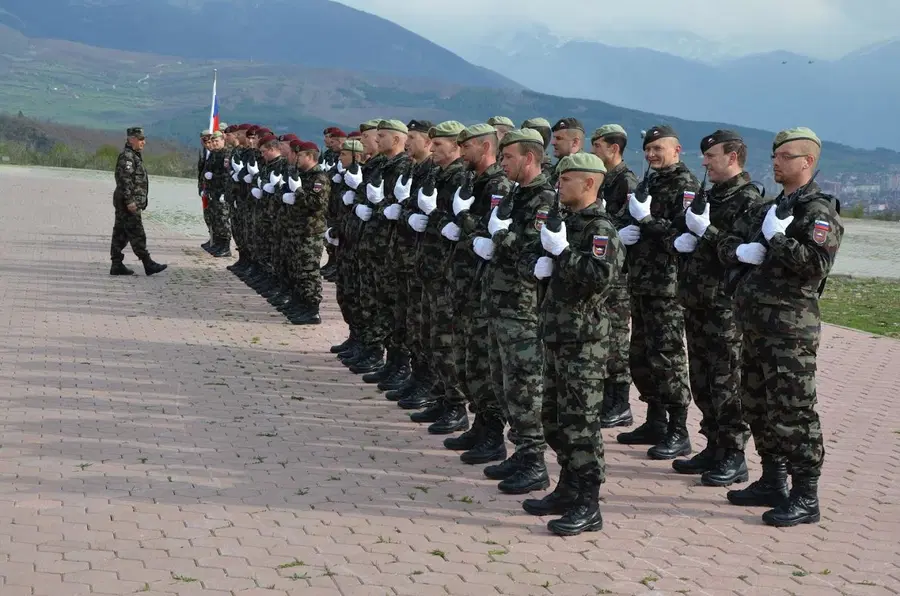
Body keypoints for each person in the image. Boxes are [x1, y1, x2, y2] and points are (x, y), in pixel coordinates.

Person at [718, 127, 842, 527]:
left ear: (807, 161)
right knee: (756, 404)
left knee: (793, 410)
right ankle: (773, 480)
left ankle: (806, 494)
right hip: (756, 324)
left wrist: (778, 241)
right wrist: (741, 250)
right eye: (774, 155)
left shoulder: (817, 211)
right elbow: (727, 242)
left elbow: (816, 264)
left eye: (785, 156)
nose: (776, 162)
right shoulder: (771, 207)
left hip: (790, 329)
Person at [525, 152, 624, 536]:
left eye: (566, 179)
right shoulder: (568, 222)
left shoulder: (600, 229)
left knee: (581, 423)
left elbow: (600, 276)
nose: (559, 185)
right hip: (557, 334)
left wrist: (563, 254)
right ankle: (567, 487)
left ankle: (588, 502)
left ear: (589, 183)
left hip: (584, 342)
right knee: (554, 419)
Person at [669, 130, 764, 486]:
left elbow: (743, 252)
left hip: (724, 306)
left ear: (733, 157)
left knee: (727, 381)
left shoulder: (748, 199)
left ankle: (734, 454)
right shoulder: (710, 194)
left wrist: (706, 232)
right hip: (697, 301)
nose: (705, 162)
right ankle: (713, 445)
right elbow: (684, 230)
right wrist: (682, 238)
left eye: (711, 156)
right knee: (702, 379)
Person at [474, 128, 554, 495]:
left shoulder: (544, 200)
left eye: (508, 157)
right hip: (499, 304)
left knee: (524, 386)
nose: (503, 162)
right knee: (503, 383)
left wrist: (500, 237)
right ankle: (521, 451)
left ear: (529, 158)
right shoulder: (516, 195)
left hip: (522, 309)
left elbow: (534, 254)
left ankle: (534, 461)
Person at [617, 125, 698, 461]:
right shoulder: (649, 182)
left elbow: (685, 237)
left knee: (667, 358)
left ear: (676, 150)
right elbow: (625, 217)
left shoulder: (686, 185)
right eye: (648, 149)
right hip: (640, 282)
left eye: (658, 149)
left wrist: (648, 221)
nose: (651, 155)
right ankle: (655, 420)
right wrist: (624, 229)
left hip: (667, 286)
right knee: (641, 357)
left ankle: (678, 430)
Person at [592, 124, 637, 428]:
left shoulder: (626, 180)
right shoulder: (605, 178)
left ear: (613, 148)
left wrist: (613, 231)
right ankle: (608, 399)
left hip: (619, 273)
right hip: (605, 268)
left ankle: (620, 403)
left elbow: (631, 223)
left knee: (617, 336)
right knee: (604, 335)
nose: (593, 150)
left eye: (597, 145)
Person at [110, 127, 167, 276]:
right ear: (131, 139)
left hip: (127, 202)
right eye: (140, 139)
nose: (143, 142)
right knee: (137, 233)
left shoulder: (134, 156)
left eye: (143, 139)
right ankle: (148, 263)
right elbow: (124, 181)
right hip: (128, 204)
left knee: (120, 233)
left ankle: (116, 264)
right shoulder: (128, 157)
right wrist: (130, 201)